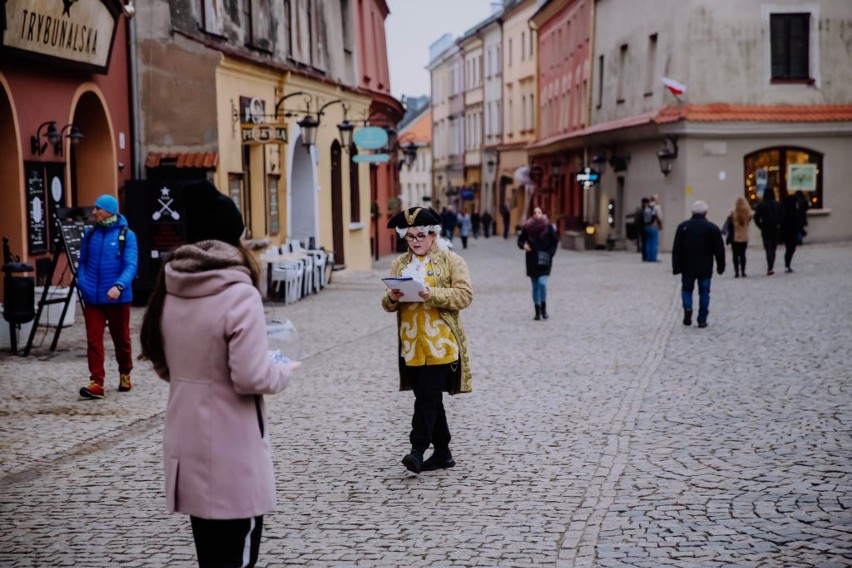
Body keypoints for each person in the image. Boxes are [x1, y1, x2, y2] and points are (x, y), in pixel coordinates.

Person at [139, 180, 301, 567]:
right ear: (234, 236)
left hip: (188, 442)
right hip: (232, 451)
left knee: (211, 558)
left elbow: (159, 359)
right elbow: (251, 376)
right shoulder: (238, 290)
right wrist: (282, 370)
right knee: (237, 556)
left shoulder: (172, 283)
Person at [382, 206, 473, 474]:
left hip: (442, 343)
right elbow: (387, 305)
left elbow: (465, 295)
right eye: (409, 236)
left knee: (427, 399)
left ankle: (417, 449)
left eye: (420, 235)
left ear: (433, 235)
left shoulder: (451, 260)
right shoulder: (399, 264)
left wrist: (431, 294)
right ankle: (443, 453)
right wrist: (392, 298)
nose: (415, 241)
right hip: (411, 345)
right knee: (429, 398)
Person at [77, 194, 139, 399]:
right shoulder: (91, 234)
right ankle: (96, 382)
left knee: (121, 338)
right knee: (94, 339)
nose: (94, 212)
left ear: (109, 212)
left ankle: (125, 372)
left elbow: (131, 265)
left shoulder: (127, 235)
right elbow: (83, 262)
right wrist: (82, 283)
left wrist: (119, 286)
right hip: (93, 298)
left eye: (98, 209)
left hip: (117, 298)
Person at [672, 200, 725, 328]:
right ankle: (702, 319)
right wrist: (720, 265)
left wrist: (676, 267)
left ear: (692, 212)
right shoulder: (712, 228)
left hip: (687, 266)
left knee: (686, 289)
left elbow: (677, 249)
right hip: (705, 266)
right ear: (705, 212)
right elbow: (719, 249)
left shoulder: (683, 227)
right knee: (704, 292)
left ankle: (688, 307)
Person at [517, 207, 558, 321]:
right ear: (532, 215)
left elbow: (554, 241)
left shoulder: (548, 226)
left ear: (542, 214)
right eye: (534, 212)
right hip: (532, 259)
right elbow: (520, 240)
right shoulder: (528, 227)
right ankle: (537, 311)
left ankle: (543, 307)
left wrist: (551, 254)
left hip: (545, 260)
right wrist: (523, 246)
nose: (536, 214)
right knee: (535, 287)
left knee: (542, 283)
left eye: (539, 212)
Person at [754, 186, 783, 275]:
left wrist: (761, 226)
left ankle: (770, 266)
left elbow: (756, 218)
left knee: (768, 248)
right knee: (773, 248)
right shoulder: (778, 204)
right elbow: (782, 216)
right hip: (775, 229)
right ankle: (771, 265)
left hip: (766, 229)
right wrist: (779, 225)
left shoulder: (761, 205)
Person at [781, 189, 806, 273]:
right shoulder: (794, 212)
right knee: (791, 249)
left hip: (786, 233)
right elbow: (797, 223)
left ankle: (787, 265)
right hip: (792, 233)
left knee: (789, 249)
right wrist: (802, 231)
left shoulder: (785, 211)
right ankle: (787, 265)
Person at [728, 196, 752, 278]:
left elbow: (729, 221)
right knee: (743, 254)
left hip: (735, 237)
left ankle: (736, 272)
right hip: (744, 236)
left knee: (735, 255)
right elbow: (751, 217)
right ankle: (743, 271)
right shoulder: (748, 213)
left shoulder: (733, 213)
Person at [643, 195, 662, 262]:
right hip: (654, 226)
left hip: (647, 226)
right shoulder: (656, 207)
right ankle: (653, 258)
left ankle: (648, 257)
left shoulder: (647, 206)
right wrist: (660, 224)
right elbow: (659, 217)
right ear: (655, 199)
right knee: (654, 243)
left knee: (648, 243)